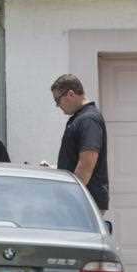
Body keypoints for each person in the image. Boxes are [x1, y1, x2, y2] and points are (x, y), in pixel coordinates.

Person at [50, 74, 109, 215]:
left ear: (70, 94)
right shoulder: (80, 118)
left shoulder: (88, 120)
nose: (58, 105)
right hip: (80, 201)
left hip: (84, 203)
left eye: (58, 100)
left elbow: (86, 164)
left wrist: (70, 199)